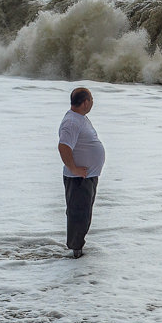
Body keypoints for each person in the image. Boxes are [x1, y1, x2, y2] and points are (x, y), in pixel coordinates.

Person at [58, 87, 105, 259]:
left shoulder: (79, 118)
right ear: (85, 102)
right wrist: (74, 168)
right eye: (92, 99)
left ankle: (78, 248)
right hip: (79, 178)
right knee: (78, 213)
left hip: (87, 176)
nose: (93, 102)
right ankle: (75, 252)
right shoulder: (72, 122)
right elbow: (63, 146)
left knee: (84, 213)